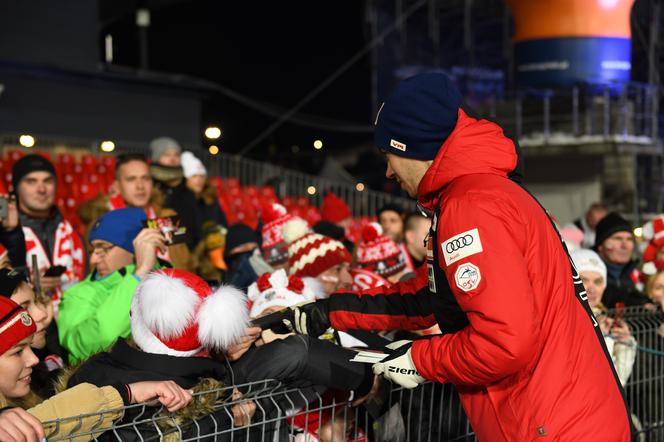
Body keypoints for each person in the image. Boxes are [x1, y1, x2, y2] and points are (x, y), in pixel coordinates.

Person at [284, 73, 633, 440]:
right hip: (563, 414)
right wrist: (323, 313)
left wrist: (419, 359)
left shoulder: (471, 205)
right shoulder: (478, 194)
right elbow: (428, 297)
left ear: (411, 147)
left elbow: (504, 343)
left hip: (552, 423)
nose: (388, 171)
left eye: (389, 155)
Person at [0, 296, 193, 442]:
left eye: (29, 347)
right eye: (17, 352)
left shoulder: (26, 394)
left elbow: (53, 416)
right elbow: (43, 422)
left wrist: (127, 393)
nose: (33, 359)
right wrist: (125, 394)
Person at [57, 208, 169, 363]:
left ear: (133, 250)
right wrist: (140, 274)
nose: (94, 260)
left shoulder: (167, 278)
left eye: (103, 248)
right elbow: (96, 341)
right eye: (92, 250)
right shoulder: (77, 294)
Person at [13, 154, 86, 304]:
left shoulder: (73, 235)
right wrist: (23, 280)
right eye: (31, 181)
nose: (41, 189)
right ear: (17, 187)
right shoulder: (6, 234)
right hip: (26, 323)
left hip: (71, 320)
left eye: (48, 181)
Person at [571, 249, 637, 386]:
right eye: (584, 280)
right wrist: (597, 338)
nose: (591, 288)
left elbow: (618, 381)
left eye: (598, 282)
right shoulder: (563, 321)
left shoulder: (605, 319)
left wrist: (625, 343)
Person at [166, 151, 228, 251]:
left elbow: (222, 225)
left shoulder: (210, 199)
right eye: (194, 176)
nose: (199, 180)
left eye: (201, 176)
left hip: (211, 251)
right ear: (186, 178)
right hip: (187, 253)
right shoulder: (176, 200)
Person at [594, 212, 647, 308]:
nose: (624, 245)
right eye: (617, 239)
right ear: (600, 246)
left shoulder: (643, 275)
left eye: (629, 239)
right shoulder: (585, 274)